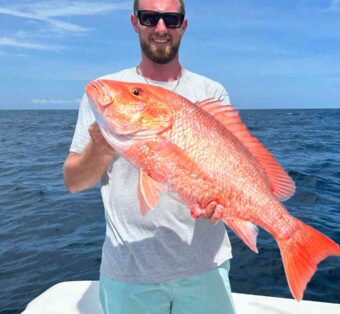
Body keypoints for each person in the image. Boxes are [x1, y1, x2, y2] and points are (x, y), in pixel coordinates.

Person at [63, 0, 236, 313]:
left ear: (183, 25)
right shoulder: (106, 94)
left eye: (170, 19)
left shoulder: (213, 92)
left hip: (206, 267)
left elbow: (231, 169)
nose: (160, 28)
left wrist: (223, 205)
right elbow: (74, 182)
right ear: (134, 22)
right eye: (149, 17)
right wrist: (102, 145)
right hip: (129, 272)